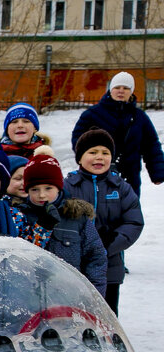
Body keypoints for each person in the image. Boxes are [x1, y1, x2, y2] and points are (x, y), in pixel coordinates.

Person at [63, 127, 144, 314]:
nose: (99, 157)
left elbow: (134, 221)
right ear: (80, 158)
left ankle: (109, 342)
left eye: (105, 153)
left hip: (110, 263)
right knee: (75, 311)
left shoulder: (121, 188)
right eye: (92, 152)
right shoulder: (68, 186)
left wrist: (111, 243)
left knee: (107, 313)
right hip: (76, 262)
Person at [21, 153, 106, 295]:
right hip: (30, 297)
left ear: (59, 187)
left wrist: (94, 296)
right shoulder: (20, 216)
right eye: (35, 189)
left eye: (48, 188)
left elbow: (96, 257)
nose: (42, 195)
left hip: (69, 296)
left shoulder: (76, 217)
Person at [70, 72, 164, 197]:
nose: (121, 91)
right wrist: (87, 159)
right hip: (97, 173)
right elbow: (78, 140)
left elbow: (151, 146)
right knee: (99, 210)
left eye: (125, 88)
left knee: (129, 211)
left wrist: (157, 172)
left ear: (131, 91)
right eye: (117, 87)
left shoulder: (139, 117)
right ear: (110, 90)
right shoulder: (92, 114)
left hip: (129, 176)